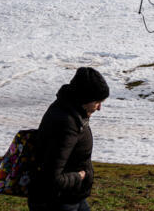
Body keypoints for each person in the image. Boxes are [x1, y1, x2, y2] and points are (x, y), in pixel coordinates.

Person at [28, 67, 110, 211]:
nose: (99, 108)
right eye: (97, 101)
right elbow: (51, 177)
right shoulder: (67, 123)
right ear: (85, 97)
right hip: (56, 201)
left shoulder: (72, 110)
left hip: (70, 197)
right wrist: (80, 176)